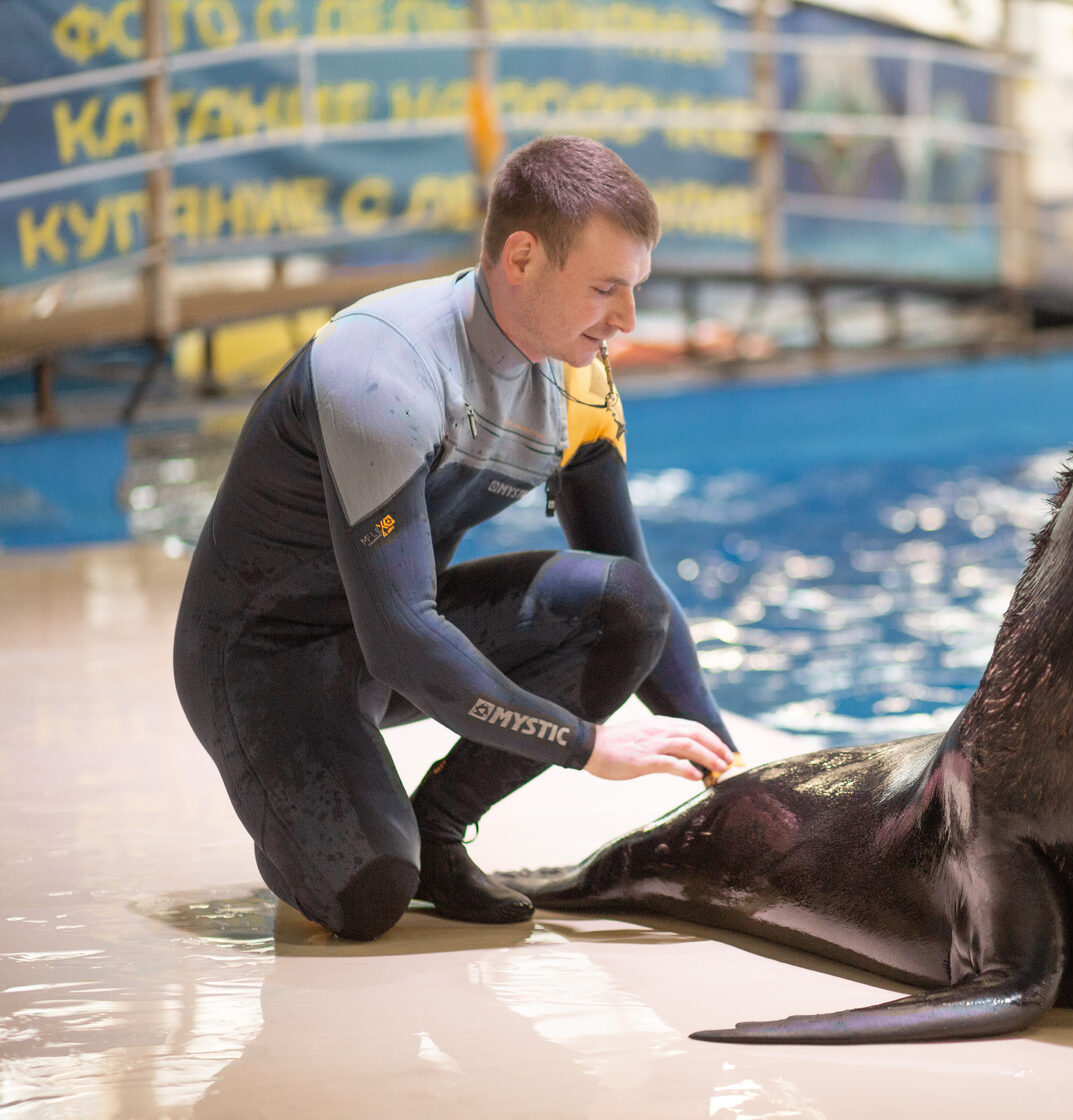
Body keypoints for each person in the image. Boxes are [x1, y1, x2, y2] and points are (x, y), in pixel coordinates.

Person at [173, 135, 737, 941]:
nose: (628, 320)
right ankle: (303, 815)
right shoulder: (382, 370)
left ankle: (436, 829)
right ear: (521, 257)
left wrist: (735, 773)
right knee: (369, 894)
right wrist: (585, 747)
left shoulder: (578, 378)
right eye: (606, 288)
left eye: (635, 289)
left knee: (625, 608)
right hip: (264, 659)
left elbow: (637, 592)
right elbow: (404, 638)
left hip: (392, 638)